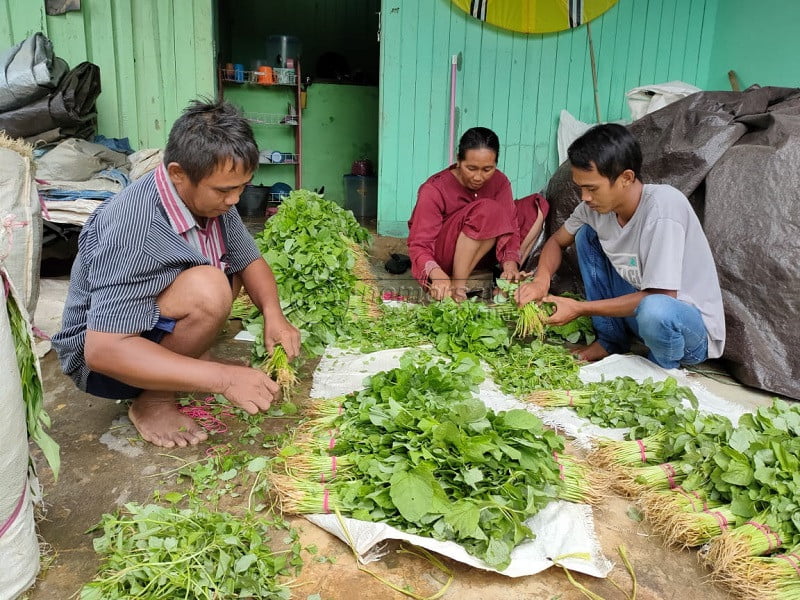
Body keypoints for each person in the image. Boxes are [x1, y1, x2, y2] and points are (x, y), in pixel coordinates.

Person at [52, 100, 301, 449]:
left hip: (142, 327)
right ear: (178, 174)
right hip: (104, 366)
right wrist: (224, 379)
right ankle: (153, 401)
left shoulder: (211, 199)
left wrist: (275, 316)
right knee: (209, 287)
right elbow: (102, 351)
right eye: (225, 190)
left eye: (242, 186)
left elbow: (250, 261)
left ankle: (184, 357)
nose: (235, 200)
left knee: (226, 276)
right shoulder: (135, 227)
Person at [516, 123, 725, 369]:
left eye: (592, 188)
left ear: (626, 178)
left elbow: (661, 298)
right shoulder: (592, 211)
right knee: (585, 235)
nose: (584, 197)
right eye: (581, 187)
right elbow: (555, 241)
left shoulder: (663, 208)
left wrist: (579, 308)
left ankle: (661, 368)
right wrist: (541, 280)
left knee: (654, 309)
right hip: (643, 316)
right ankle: (610, 341)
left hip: (685, 331)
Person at [407, 127, 523, 301]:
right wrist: (436, 273)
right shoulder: (434, 189)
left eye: (487, 169)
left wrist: (510, 263)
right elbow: (419, 244)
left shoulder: (500, 182)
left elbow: (511, 226)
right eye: (471, 168)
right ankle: (457, 289)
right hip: (445, 258)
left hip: (484, 255)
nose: (478, 177)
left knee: (535, 206)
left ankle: (508, 283)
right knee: (489, 210)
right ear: (458, 160)